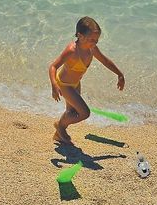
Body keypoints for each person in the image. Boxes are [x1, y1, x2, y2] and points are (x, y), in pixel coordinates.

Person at [48, 17, 125, 146]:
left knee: (71, 112)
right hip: (64, 85)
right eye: (91, 40)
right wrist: (54, 85)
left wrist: (119, 74)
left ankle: (58, 135)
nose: (94, 43)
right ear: (80, 35)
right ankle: (60, 126)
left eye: (96, 40)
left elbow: (105, 61)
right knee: (84, 112)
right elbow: (53, 66)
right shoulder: (72, 50)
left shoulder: (92, 49)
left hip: (76, 84)